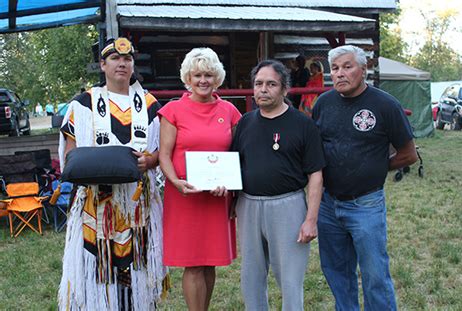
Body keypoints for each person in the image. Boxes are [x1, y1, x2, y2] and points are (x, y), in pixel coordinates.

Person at [57, 37, 168, 310]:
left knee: (137, 269)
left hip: (138, 203)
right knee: (97, 272)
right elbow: (71, 154)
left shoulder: (150, 104)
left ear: (133, 65)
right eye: (116, 58)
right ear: (102, 64)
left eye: (127, 59)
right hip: (96, 204)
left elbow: (162, 152)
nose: (122, 63)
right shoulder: (84, 104)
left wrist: (150, 161)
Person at [312, 45, 418, 310]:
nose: (339, 74)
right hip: (328, 205)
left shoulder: (385, 105)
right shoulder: (323, 104)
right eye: (334, 68)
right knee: (337, 273)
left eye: (347, 67)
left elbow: (409, 154)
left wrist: (376, 168)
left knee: (374, 276)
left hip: (366, 205)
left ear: (364, 70)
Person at [232, 59, 325, 310]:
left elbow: (315, 175)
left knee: (290, 279)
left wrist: (310, 219)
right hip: (248, 205)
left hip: (288, 206)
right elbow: (234, 166)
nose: (263, 89)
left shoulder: (303, 124)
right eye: (259, 83)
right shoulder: (245, 123)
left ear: (285, 89)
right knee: (251, 277)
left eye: (271, 84)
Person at [158, 47, 241, 310]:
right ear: (188, 78)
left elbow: (238, 153)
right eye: (197, 75)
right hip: (185, 195)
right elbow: (164, 155)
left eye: (208, 74)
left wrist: (229, 183)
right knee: (193, 264)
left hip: (217, 196)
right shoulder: (173, 110)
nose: (203, 80)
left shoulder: (229, 111)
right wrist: (175, 182)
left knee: (209, 261)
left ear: (216, 77)